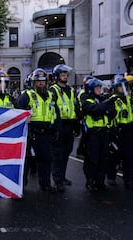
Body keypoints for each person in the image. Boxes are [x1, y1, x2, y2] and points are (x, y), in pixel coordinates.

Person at [16, 68, 59, 192]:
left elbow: (56, 114)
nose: (41, 83)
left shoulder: (51, 96)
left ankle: (45, 183)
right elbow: (19, 111)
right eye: (38, 81)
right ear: (33, 82)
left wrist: (56, 129)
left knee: (46, 159)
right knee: (27, 161)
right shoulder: (26, 95)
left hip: (46, 132)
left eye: (43, 81)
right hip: (31, 132)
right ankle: (21, 187)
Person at [81, 78, 117, 191]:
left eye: (100, 88)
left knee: (103, 158)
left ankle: (100, 181)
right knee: (93, 159)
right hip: (93, 134)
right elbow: (94, 109)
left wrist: (104, 108)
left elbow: (112, 112)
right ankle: (91, 181)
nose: (100, 90)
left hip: (104, 133)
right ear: (91, 89)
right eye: (97, 88)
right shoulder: (87, 101)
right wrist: (104, 108)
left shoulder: (103, 100)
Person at [49, 64, 80, 192]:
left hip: (70, 125)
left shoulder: (71, 90)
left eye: (66, 75)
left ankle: (62, 177)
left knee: (66, 153)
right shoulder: (53, 90)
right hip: (59, 125)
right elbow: (51, 109)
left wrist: (77, 125)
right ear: (57, 76)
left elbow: (76, 107)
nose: (65, 77)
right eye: (62, 75)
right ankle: (57, 180)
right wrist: (56, 127)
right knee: (58, 154)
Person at [106, 77, 133, 190]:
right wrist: (112, 133)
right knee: (114, 156)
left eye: (125, 86)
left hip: (129, 131)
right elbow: (109, 117)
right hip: (117, 131)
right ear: (116, 88)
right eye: (121, 86)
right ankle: (111, 177)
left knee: (129, 157)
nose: (124, 89)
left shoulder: (130, 99)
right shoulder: (112, 100)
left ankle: (129, 179)